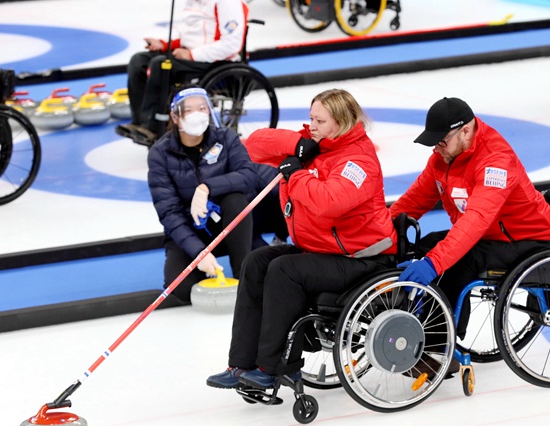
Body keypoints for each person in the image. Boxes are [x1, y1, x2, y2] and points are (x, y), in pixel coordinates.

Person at [206, 88, 398, 390]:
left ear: (341, 122)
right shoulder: (315, 143)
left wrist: (296, 174)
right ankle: (242, 364)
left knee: (285, 270)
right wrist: (298, 143)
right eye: (310, 119)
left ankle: (276, 368)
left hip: (361, 258)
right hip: (322, 249)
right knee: (256, 262)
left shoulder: (358, 161)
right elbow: (254, 145)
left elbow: (328, 202)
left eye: (319, 121)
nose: (312, 126)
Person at [389, 98, 550, 374]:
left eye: (441, 142)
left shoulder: (496, 162)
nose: (435, 148)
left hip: (528, 240)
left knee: (454, 262)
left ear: (466, 131)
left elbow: (476, 219)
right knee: (426, 244)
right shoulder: (444, 157)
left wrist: (434, 263)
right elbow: (413, 201)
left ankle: (436, 352)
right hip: (488, 237)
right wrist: (380, 236)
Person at [147, 86, 264, 303]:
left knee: (235, 200)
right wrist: (198, 251)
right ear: (175, 116)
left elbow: (249, 176)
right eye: (189, 110)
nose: (198, 114)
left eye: (202, 107)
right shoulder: (159, 154)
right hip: (192, 231)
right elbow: (169, 212)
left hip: (229, 225)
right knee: (183, 289)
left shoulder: (225, 138)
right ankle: (207, 265)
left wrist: (206, 187)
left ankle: (243, 274)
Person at [116, 0, 247, 147]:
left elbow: (231, 44)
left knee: (160, 65)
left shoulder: (228, 3)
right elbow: (192, 39)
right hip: (192, 56)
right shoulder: (193, 3)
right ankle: (140, 122)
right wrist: (164, 45)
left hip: (216, 61)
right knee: (139, 61)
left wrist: (192, 54)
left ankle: (152, 127)